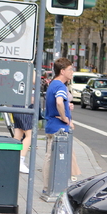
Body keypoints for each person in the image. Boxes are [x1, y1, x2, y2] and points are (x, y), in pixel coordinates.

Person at [43, 58, 74, 193]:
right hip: (59, 128)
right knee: (54, 158)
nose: (72, 72)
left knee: (50, 156)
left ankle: (49, 187)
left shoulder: (53, 84)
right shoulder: (60, 86)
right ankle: (50, 188)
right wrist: (65, 118)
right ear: (62, 71)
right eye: (70, 70)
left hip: (52, 126)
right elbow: (59, 102)